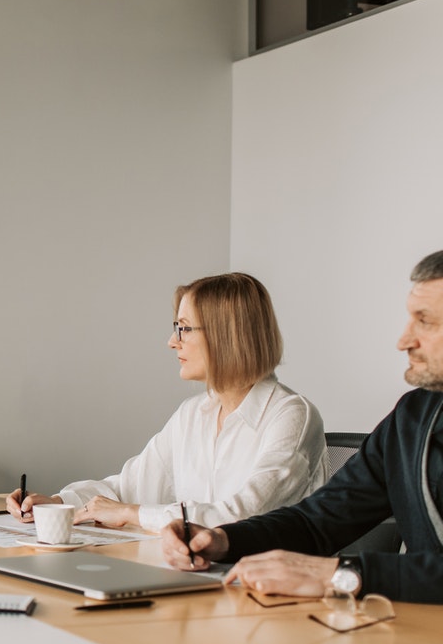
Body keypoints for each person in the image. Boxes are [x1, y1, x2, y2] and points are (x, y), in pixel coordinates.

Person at [164, 251, 443, 603]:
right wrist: (223, 539)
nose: (404, 340)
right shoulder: (413, 418)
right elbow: (317, 521)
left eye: (426, 321)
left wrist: (342, 574)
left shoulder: (290, 412)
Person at [8, 272, 328, 530]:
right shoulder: (193, 414)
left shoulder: (291, 416)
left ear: (226, 335)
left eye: (184, 329)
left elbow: (242, 516)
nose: (172, 342)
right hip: (194, 573)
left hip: (265, 590)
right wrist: (59, 503)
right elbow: (127, 488)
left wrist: (133, 514)